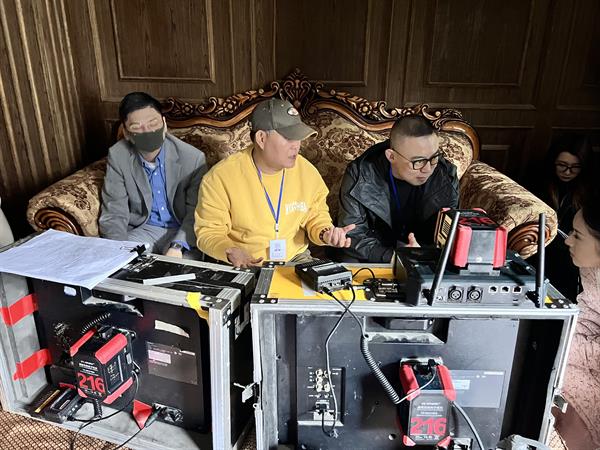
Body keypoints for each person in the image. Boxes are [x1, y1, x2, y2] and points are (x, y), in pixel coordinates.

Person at [194, 98, 355, 268]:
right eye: (289, 138)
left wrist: (326, 234)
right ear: (261, 138)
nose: (296, 146)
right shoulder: (220, 177)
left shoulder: (307, 171)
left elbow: (316, 217)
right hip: (244, 261)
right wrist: (231, 251)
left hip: (295, 259)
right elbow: (209, 233)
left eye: (298, 138)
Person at [337, 115, 459, 262]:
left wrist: (422, 254)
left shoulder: (446, 174)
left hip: (424, 256)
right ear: (391, 156)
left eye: (434, 158)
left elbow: (448, 235)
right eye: (418, 161)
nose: (427, 169)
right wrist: (395, 256)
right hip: (375, 255)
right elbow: (352, 236)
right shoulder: (359, 174)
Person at [99, 92, 207, 258]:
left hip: (181, 231)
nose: (147, 131)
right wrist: (117, 251)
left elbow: (197, 212)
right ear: (126, 133)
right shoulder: (118, 155)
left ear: (164, 124)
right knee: (120, 266)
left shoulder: (193, 158)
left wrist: (178, 246)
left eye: (153, 123)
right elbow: (114, 212)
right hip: (142, 229)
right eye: (137, 127)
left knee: (182, 269)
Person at [555, 192, 600, 449]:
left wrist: (562, 347)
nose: (568, 240)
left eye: (578, 236)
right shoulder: (591, 267)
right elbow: (588, 315)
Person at [528, 134, 592, 300]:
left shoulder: (590, 189)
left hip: (570, 253)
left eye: (575, 167)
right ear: (553, 162)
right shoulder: (538, 181)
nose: (567, 172)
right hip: (540, 247)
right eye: (562, 165)